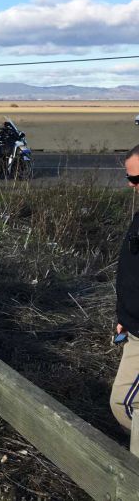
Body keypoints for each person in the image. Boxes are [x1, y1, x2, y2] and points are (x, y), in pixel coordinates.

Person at [110, 144, 139, 431]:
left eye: (138, 179)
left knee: (124, 404)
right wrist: (123, 317)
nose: (132, 186)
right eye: (130, 179)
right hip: (133, 327)